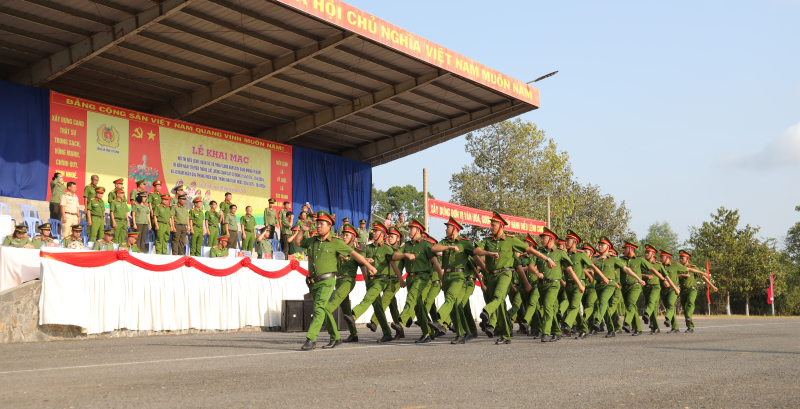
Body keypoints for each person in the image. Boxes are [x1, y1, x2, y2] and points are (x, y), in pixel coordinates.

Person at [472, 212, 558, 344]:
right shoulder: (488, 241)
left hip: (505, 274)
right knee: (500, 305)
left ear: (501, 226)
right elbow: (476, 251)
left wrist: (547, 258)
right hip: (491, 275)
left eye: (493, 225)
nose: (491, 227)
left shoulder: (511, 241)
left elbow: (530, 250)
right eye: (491, 224)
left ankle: (487, 311)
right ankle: (506, 336)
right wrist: (488, 253)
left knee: (497, 296)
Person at [296, 210, 376, 351]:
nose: (318, 226)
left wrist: (368, 266)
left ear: (329, 226)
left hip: (327, 281)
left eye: (321, 224)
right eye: (317, 223)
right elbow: (297, 242)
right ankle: (335, 337)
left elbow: (354, 253)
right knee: (324, 309)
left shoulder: (336, 243)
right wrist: (302, 230)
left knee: (319, 307)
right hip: (313, 282)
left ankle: (311, 338)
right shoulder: (313, 241)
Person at [343, 221, 405, 344]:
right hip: (371, 280)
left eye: (376, 231)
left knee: (368, 298)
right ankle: (387, 333)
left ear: (382, 234)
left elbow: (394, 261)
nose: (373, 233)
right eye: (373, 231)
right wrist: (365, 260)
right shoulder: (368, 247)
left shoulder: (387, 248)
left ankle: (354, 315)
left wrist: (401, 278)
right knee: (378, 308)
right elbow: (360, 259)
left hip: (382, 280)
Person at [389, 219, 448, 343]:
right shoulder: (407, 245)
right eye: (409, 228)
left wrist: (442, 280)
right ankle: (427, 333)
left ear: (418, 231)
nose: (409, 230)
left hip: (422, 277)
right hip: (410, 277)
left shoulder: (426, 245)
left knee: (411, 297)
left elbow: (436, 263)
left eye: (411, 229)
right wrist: (405, 255)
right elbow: (393, 257)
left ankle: (401, 322)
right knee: (418, 306)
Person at [430, 217, 476, 344]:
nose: (446, 229)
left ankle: (439, 320)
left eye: (448, 227)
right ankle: (460, 334)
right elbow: (433, 249)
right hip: (447, 276)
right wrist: (449, 247)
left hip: (459, 277)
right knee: (454, 305)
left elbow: (475, 254)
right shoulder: (445, 242)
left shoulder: (465, 243)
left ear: (454, 229)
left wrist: (488, 254)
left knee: (450, 299)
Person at [562, 230, 604, 339]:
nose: (566, 242)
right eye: (566, 240)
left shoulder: (581, 254)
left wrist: (603, 277)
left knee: (574, 306)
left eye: (568, 240)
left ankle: (566, 324)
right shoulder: (565, 255)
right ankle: (584, 329)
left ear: (574, 242)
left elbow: (592, 266)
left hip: (579, 285)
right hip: (568, 285)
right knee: (574, 309)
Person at [327, 223, 365, 342]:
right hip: (338, 280)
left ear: (353, 238)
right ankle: (354, 334)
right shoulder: (338, 250)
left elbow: (363, 267)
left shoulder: (356, 252)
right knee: (346, 309)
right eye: (343, 235)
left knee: (333, 302)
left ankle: (317, 323)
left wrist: (368, 282)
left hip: (348, 280)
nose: (344, 237)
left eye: (347, 235)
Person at [366, 227, 405, 339]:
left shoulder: (400, 251)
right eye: (389, 236)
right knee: (393, 307)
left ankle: (374, 321)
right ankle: (400, 330)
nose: (390, 238)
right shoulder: (385, 249)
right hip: (386, 279)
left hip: (394, 280)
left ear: (398, 238)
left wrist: (402, 280)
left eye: (392, 237)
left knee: (383, 301)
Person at [590, 237, 626, 337]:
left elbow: (625, 268)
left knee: (602, 300)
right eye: (599, 245)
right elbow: (587, 264)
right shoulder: (597, 259)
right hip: (598, 285)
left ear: (608, 247)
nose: (600, 246)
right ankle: (611, 330)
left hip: (609, 284)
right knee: (604, 307)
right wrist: (598, 258)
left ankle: (597, 321)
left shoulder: (613, 259)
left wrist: (638, 278)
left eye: (602, 245)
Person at [677, 250, 717, 333]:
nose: (681, 259)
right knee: (685, 308)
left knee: (690, 302)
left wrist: (712, 286)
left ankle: (688, 316)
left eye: (682, 258)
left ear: (687, 259)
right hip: (683, 291)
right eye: (680, 258)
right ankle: (690, 327)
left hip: (692, 289)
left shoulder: (693, 267)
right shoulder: (678, 268)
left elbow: (703, 277)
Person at [618, 241, 652, 336]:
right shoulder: (621, 259)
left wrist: (663, 278)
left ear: (630, 249)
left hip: (635, 286)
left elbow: (652, 268)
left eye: (625, 249)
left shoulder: (639, 260)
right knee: (632, 307)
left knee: (631, 304)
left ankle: (627, 323)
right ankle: (638, 329)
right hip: (625, 287)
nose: (623, 250)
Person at [642, 244, 676, 334]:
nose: (646, 254)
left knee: (651, 302)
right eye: (645, 252)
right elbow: (637, 274)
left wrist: (674, 287)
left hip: (655, 288)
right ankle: (655, 326)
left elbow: (666, 276)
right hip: (646, 288)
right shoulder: (643, 264)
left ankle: (646, 314)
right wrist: (645, 276)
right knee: (651, 307)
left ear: (653, 254)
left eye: (648, 252)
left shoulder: (659, 265)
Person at [659, 250, 682, 332]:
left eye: (662, 257)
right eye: (660, 257)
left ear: (667, 258)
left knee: (670, 304)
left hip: (673, 289)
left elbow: (688, 269)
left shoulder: (675, 265)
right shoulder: (659, 266)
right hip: (664, 290)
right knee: (669, 308)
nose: (660, 258)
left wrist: (701, 272)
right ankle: (675, 327)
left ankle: (667, 318)